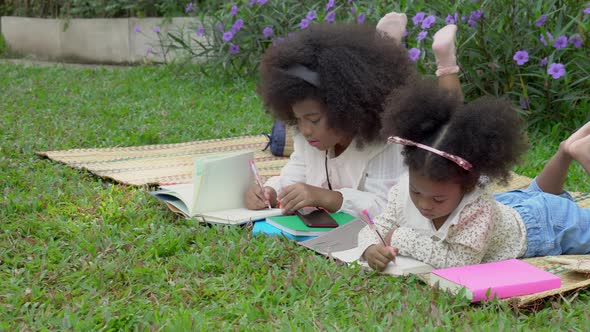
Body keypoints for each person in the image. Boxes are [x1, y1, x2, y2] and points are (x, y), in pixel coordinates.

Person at [246, 13, 464, 217]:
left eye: (313, 119)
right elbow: (293, 176)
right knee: (378, 81)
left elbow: (389, 208)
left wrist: (329, 198)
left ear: (345, 109)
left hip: (430, 138)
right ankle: (384, 48)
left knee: (447, 119)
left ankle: (445, 62)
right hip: (370, 92)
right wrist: (270, 191)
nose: (305, 130)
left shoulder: (387, 142)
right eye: (298, 119)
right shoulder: (308, 137)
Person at [359, 80, 590, 271]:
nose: (423, 204)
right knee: (537, 197)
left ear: (468, 187)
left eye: (438, 199)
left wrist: (398, 237)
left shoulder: (477, 211)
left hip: (546, 227)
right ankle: (566, 151)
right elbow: (377, 226)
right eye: (415, 192)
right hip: (515, 207)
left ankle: (582, 153)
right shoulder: (404, 191)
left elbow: (460, 261)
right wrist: (370, 247)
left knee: (550, 206)